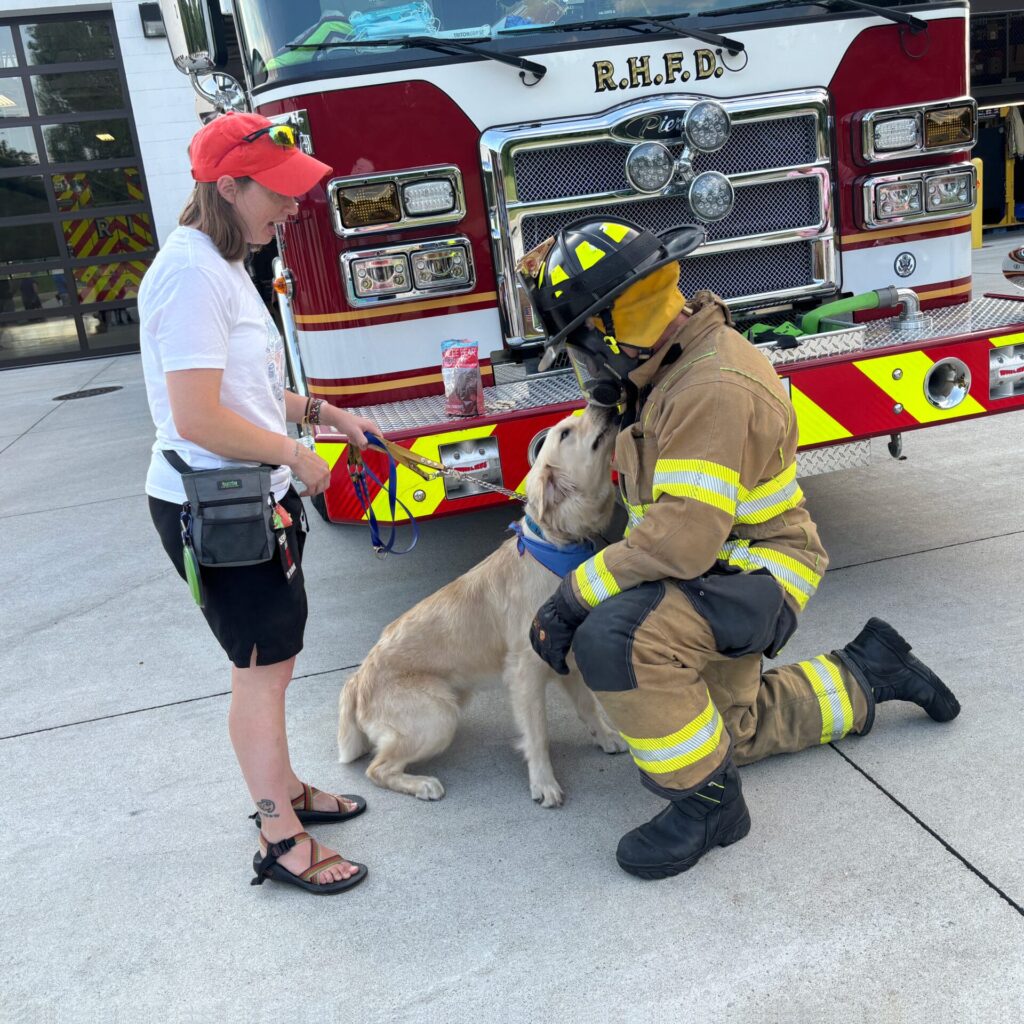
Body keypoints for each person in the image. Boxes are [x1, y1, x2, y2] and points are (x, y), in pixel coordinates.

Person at [520, 218, 961, 880]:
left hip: (756, 572)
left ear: (611, 330)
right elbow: (671, 528)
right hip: (716, 570)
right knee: (732, 733)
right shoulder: (657, 364)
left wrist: (572, 597)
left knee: (614, 637)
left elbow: (678, 541)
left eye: (582, 342)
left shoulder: (709, 389)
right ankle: (871, 671)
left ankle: (709, 806)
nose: (584, 361)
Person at [140, 112, 381, 895]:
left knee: (276, 663)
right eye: (277, 192)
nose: (292, 206)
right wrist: (293, 455)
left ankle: (288, 790)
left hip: (249, 498)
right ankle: (281, 837)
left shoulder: (222, 261)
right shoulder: (187, 275)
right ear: (227, 186)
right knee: (258, 670)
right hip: (216, 510)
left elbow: (238, 390)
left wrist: (320, 414)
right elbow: (197, 417)